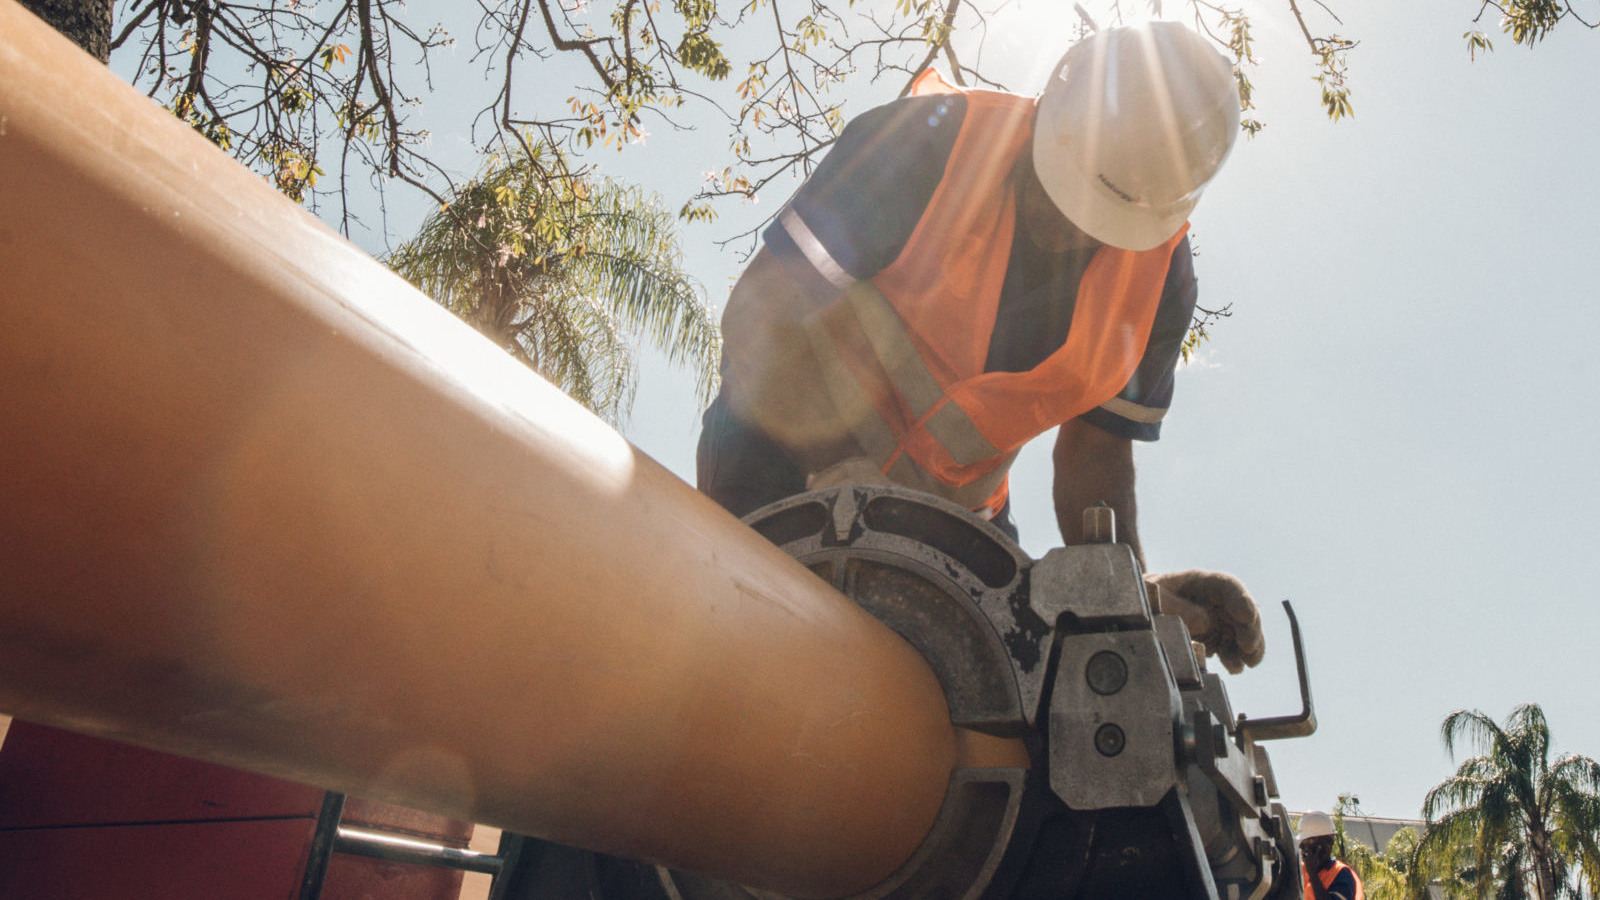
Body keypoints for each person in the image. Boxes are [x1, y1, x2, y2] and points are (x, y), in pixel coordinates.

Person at [696, 20, 1263, 673]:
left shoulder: (1160, 281)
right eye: (1062, 192)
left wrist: (1130, 596)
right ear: (1050, 110)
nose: (1069, 231)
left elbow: (1094, 454)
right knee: (752, 663)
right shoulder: (924, 146)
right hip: (778, 449)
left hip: (953, 525)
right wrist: (832, 472)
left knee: (1009, 715)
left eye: (1101, 223)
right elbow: (763, 308)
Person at [1298, 811, 1365, 900]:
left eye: (1308, 841)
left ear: (1325, 845)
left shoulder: (1342, 874)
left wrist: (1313, 874)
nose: (1302, 847)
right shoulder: (1300, 871)